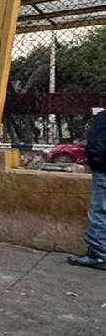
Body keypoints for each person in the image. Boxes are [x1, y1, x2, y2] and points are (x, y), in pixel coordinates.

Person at [69, 109, 106, 271]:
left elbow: (96, 145)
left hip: (103, 171)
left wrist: (95, 164)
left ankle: (99, 255)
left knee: (99, 211)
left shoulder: (102, 119)